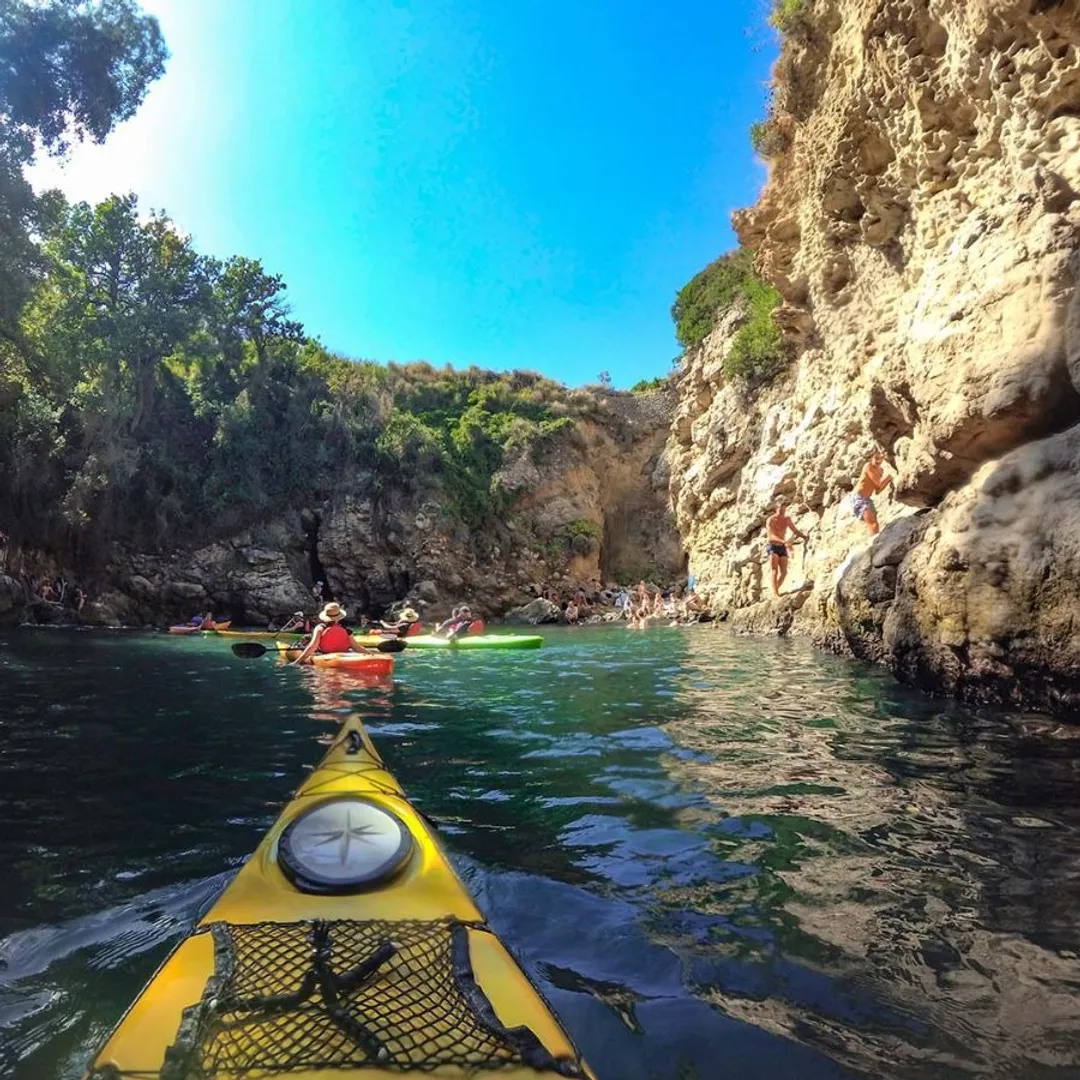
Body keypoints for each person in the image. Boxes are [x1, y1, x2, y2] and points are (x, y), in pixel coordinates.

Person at [764, 500, 807, 597]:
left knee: (784, 572)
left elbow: (795, 530)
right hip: (773, 547)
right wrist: (784, 542)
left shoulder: (787, 519)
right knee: (775, 570)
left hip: (782, 547)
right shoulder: (770, 520)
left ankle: (775, 590)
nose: (782, 511)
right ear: (776, 509)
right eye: (780, 509)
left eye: (784, 509)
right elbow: (771, 536)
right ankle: (775, 593)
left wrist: (805, 537)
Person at [293, 602, 359, 663]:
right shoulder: (347, 630)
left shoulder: (320, 628)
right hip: (344, 656)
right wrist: (369, 655)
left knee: (304, 642)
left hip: (326, 657)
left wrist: (296, 662)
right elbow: (357, 648)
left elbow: (312, 647)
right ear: (339, 617)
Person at [852, 449, 893, 535]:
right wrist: (888, 478)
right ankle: (874, 544)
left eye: (881, 458)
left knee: (875, 524)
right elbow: (878, 485)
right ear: (871, 458)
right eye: (876, 458)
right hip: (859, 498)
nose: (879, 460)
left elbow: (877, 490)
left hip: (867, 498)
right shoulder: (868, 466)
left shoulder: (880, 471)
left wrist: (888, 480)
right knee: (872, 524)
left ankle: (875, 541)